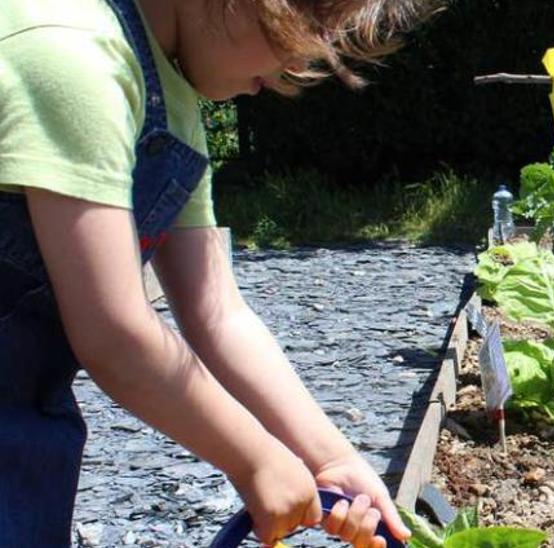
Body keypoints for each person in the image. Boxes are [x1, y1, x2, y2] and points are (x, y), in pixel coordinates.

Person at [0, 0, 430, 545]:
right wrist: (255, 459)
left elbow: (217, 311)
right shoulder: (69, 54)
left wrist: (330, 458)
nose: (295, 67)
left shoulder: (168, 96)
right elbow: (113, 332)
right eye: (304, 26)